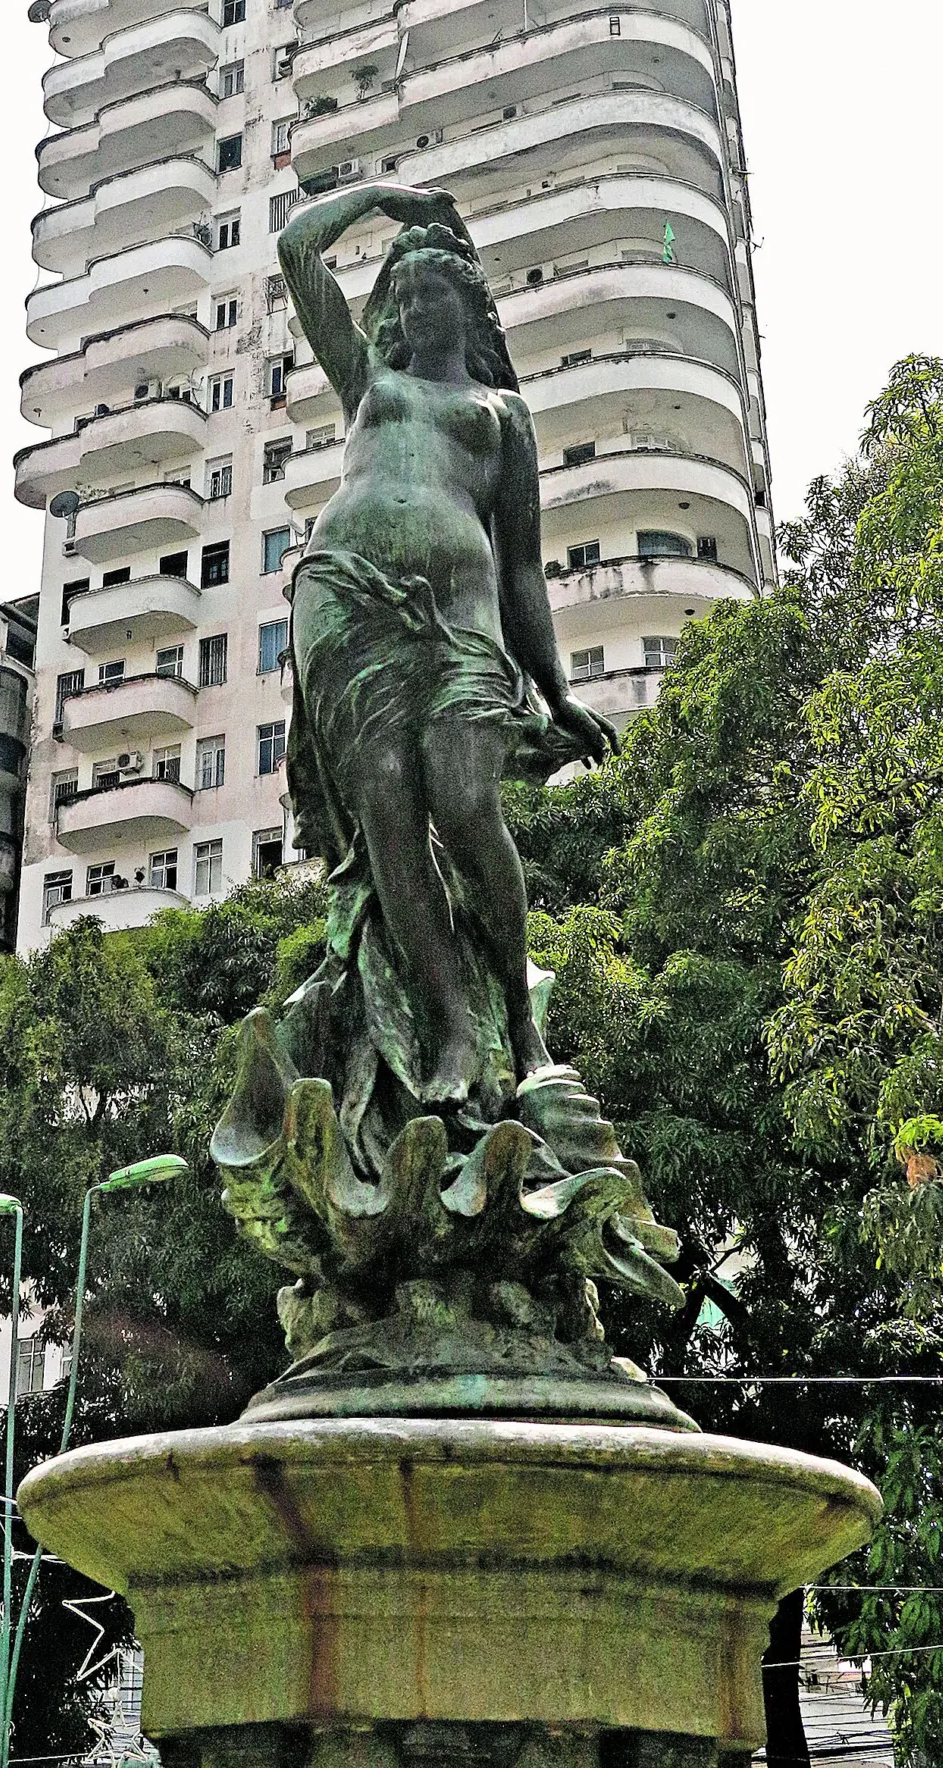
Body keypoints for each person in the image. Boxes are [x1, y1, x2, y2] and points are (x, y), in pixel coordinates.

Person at [275, 178, 616, 1163]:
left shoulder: (503, 416)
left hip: (461, 627)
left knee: (467, 807)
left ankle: (518, 1012)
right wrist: (383, 197)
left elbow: (520, 568)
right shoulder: (370, 387)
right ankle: (453, 1022)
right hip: (344, 603)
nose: (418, 308)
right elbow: (298, 251)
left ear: (469, 308)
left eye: (437, 295)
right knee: (387, 814)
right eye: (405, 294)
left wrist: (555, 690)